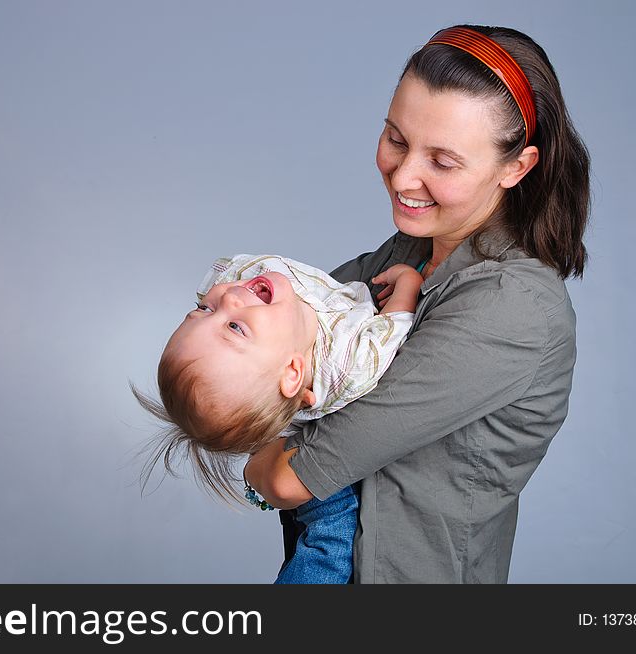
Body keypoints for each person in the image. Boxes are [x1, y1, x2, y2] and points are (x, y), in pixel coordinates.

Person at [244, 24, 591, 583]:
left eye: (443, 161)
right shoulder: (412, 249)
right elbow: (271, 349)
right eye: (396, 139)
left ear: (516, 167)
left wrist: (261, 457)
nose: (403, 176)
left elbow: (292, 475)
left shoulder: (515, 307)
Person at [134, 253, 423, 583]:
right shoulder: (347, 362)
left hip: (274, 442)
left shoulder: (263, 311)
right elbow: (390, 331)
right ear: (294, 372)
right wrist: (408, 286)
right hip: (307, 458)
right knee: (331, 540)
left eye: (204, 310)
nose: (226, 296)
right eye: (234, 327)